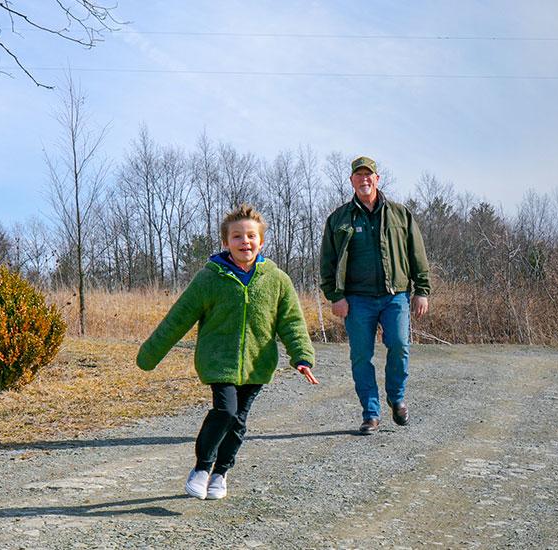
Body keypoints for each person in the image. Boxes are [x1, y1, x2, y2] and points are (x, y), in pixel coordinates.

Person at [137, 204, 320, 500]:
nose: (244, 241)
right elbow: (178, 317)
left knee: (238, 421)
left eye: (250, 236)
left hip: (257, 364)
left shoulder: (277, 280)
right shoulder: (210, 278)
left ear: (261, 241)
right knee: (226, 411)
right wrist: (150, 354)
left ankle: (221, 474)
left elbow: (292, 322)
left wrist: (301, 357)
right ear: (226, 242)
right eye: (237, 236)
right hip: (218, 361)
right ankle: (201, 468)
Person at [319, 155, 431, 435]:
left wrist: (422, 291)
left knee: (399, 345)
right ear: (352, 181)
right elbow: (327, 263)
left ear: (377, 179)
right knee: (361, 357)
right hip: (357, 300)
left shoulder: (400, 214)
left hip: (396, 296)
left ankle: (396, 397)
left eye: (369, 175)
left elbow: (417, 255)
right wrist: (335, 296)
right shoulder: (338, 219)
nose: (364, 179)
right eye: (359, 175)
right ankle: (371, 414)